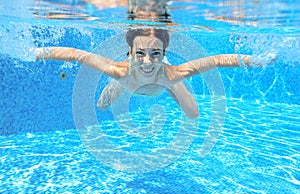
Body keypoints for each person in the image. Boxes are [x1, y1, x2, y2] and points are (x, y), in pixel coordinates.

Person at [34, 28, 258, 118]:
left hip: (163, 81)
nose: (148, 62)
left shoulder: (172, 74)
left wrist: (256, 61)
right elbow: (75, 54)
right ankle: (123, 79)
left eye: (156, 54)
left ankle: (168, 80)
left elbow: (217, 60)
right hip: (127, 78)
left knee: (193, 113)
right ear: (129, 53)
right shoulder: (118, 70)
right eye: (140, 53)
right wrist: (35, 53)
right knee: (101, 106)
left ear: (163, 53)